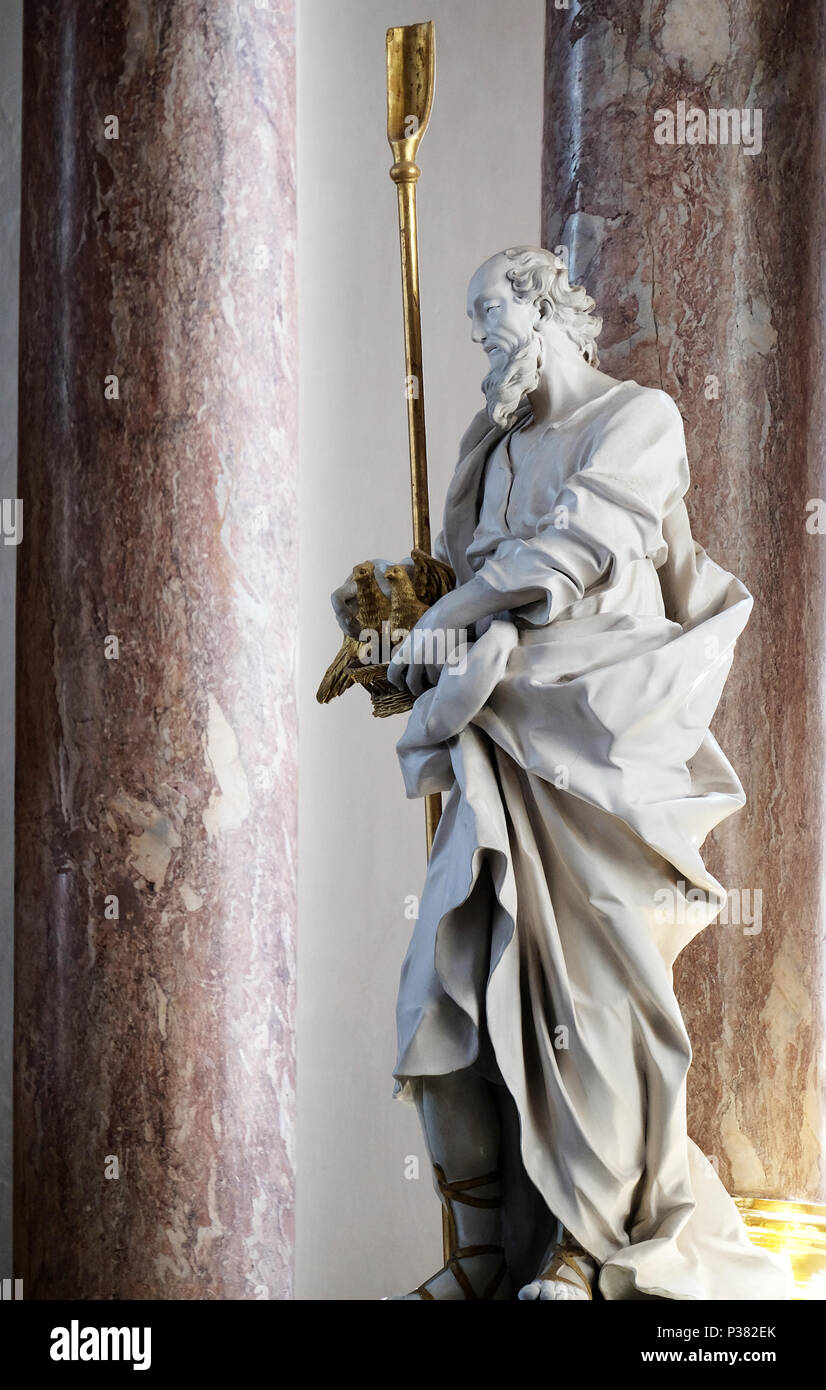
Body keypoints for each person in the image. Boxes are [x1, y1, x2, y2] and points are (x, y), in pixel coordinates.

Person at [332, 246, 792, 1301]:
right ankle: (482, 1253)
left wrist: (453, 617)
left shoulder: (636, 419)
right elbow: (467, 582)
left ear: (553, 317)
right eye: (474, 326)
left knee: (592, 1009)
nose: (482, 342)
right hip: (496, 744)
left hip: (598, 748)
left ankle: (593, 1243)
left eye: (493, 319)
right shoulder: (490, 446)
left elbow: (568, 556)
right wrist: (400, 635)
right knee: (440, 1000)